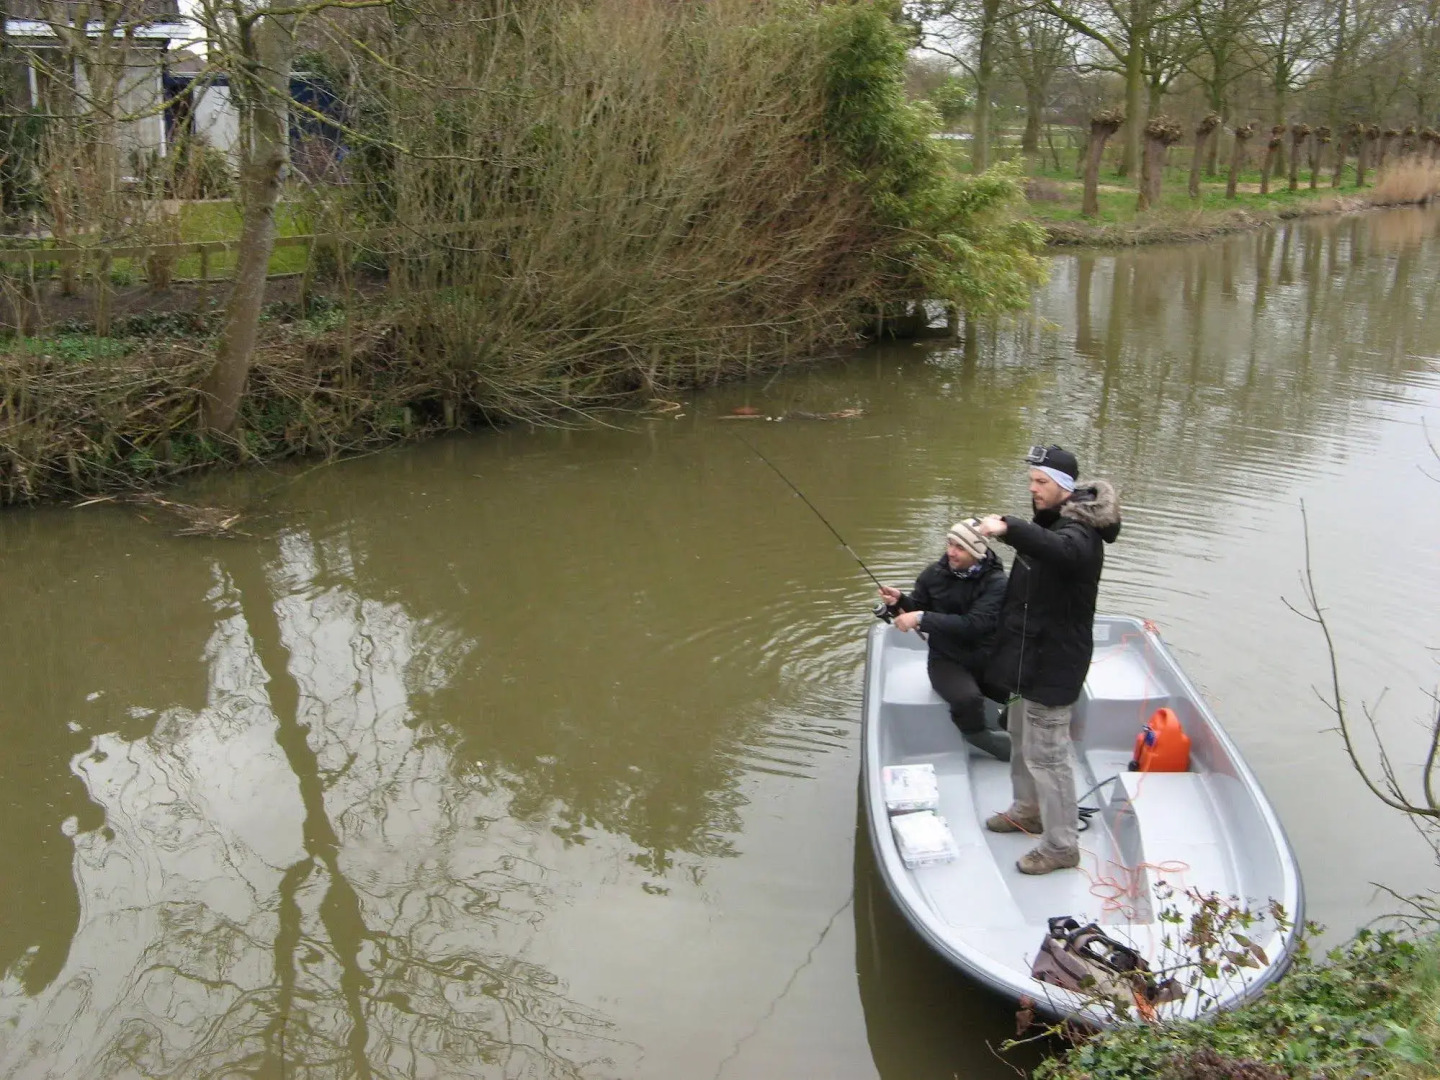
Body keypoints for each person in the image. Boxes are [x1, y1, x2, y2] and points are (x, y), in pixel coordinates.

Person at [975, 445, 1122, 876]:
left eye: (1041, 483)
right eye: (1032, 482)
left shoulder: (1080, 536)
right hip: (1027, 662)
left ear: (1064, 488)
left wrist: (1007, 526)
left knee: (1049, 758)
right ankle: (1028, 810)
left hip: (1054, 666)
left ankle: (1061, 846)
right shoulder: (1050, 526)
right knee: (1021, 741)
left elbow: (1058, 551)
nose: (1033, 489)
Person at [877, 520, 1011, 761]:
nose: (950, 551)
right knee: (967, 699)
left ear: (977, 551)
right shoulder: (933, 574)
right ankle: (979, 737)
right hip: (946, 659)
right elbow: (920, 606)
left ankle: (1013, 722)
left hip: (989, 655)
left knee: (1023, 692)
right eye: (950, 543)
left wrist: (920, 617)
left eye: (960, 546)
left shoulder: (997, 583)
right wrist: (901, 602)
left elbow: (974, 625)